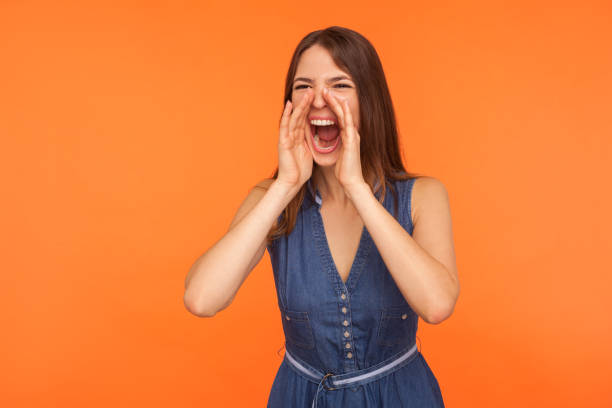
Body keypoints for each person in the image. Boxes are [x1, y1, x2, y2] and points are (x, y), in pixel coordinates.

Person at [184, 26, 459, 407]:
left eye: (339, 85)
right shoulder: (272, 200)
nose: (318, 100)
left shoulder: (424, 195)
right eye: (303, 86)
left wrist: (357, 188)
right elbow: (201, 298)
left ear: (370, 99)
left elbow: (437, 304)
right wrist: (285, 185)